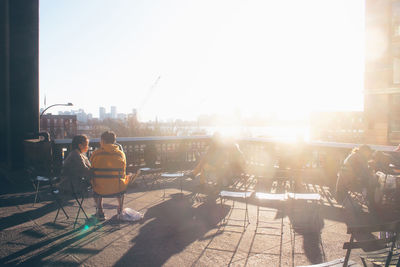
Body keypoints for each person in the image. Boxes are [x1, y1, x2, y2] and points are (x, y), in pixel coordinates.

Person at [90, 131, 139, 220]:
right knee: (122, 179)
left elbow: (92, 169)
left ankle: (100, 212)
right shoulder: (121, 154)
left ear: (103, 141)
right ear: (114, 141)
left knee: (96, 183)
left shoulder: (95, 154)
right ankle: (120, 209)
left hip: (100, 188)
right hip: (117, 188)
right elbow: (123, 171)